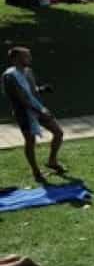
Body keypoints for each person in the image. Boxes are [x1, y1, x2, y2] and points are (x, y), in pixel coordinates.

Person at [4, 47, 65, 182]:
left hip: (38, 107)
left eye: (29, 56)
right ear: (15, 59)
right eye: (26, 56)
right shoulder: (9, 76)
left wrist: (42, 89)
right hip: (23, 112)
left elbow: (32, 91)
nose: (29, 59)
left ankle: (52, 161)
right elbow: (21, 99)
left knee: (58, 133)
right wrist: (40, 111)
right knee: (30, 141)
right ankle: (36, 171)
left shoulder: (28, 71)